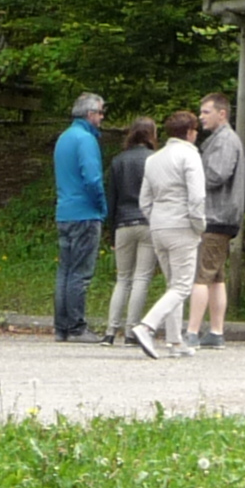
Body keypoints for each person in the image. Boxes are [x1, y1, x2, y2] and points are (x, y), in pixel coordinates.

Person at [128, 110, 209, 359]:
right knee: (183, 286)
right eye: (195, 130)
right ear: (189, 132)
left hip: (159, 226)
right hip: (182, 226)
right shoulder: (189, 155)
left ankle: (175, 341)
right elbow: (197, 197)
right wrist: (199, 225)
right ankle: (146, 326)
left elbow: (145, 199)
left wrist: (156, 220)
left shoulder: (154, 159)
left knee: (172, 285)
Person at [53, 92, 109, 342]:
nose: (102, 117)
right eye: (99, 113)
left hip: (64, 211)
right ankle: (77, 327)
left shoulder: (64, 138)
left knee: (65, 270)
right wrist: (102, 207)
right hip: (85, 213)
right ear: (89, 114)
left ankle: (61, 327)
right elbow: (93, 178)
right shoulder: (86, 140)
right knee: (80, 273)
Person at [188, 95, 243, 344]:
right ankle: (216, 331)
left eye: (206, 112)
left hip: (215, 215)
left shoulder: (225, 141)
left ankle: (191, 331)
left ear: (222, 114)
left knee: (202, 275)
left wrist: (192, 172)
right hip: (221, 216)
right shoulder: (219, 140)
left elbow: (216, 174)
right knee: (216, 276)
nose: (201, 117)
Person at [102, 117, 158, 346]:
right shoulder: (154, 160)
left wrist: (110, 229)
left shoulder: (118, 161)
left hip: (123, 223)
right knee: (141, 278)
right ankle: (132, 330)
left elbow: (111, 198)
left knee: (122, 278)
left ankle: (109, 330)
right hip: (147, 222)